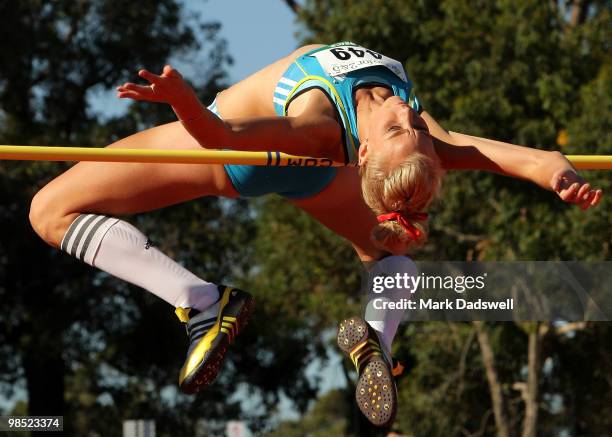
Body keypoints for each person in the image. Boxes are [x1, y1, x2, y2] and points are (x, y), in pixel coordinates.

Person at [28, 42, 602, 427]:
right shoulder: (418, 132)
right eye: (416, 132)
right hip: (322, 180)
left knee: (49, 209)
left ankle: (202, 301)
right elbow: (531, 158)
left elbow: (219, 134)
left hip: (236, 159)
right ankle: (376, 338)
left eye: (402, 128)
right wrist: (564, 178)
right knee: (387, 254)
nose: (407, 113)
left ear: (368, 149)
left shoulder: (323, 124)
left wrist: (181, 100)